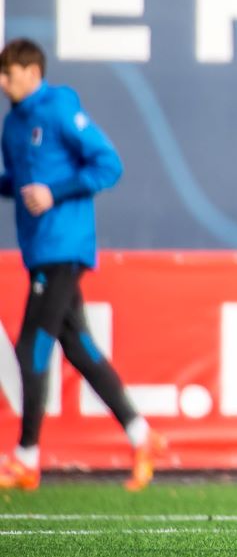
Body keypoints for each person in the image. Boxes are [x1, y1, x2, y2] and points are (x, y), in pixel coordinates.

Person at [0, 38, 162, 491]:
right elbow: (19, 183)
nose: (3, 83)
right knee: (78, 347)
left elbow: (108, 164)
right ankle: (142, 436)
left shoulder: (59, 108)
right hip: (39, 249)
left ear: (33, 72)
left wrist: (55, 193)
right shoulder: (13, 124)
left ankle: (27, 458)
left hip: (64, 246)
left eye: (9, 74)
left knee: (31, 344)